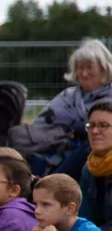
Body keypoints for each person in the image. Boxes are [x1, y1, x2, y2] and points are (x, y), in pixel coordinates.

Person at [31, 39, 112, 180]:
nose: (84, 73)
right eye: (80, 68)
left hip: (94, 152)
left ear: (104, 68)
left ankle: (51, 186)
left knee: (88, 145)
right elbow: (41, 124)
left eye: (89, 67)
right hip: (60, 148)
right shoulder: (68, 96)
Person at [79, 101, 112, 231]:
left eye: (103, 125)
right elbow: (84, 218)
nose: (94, 131)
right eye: (91, 125)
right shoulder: (90, 167)